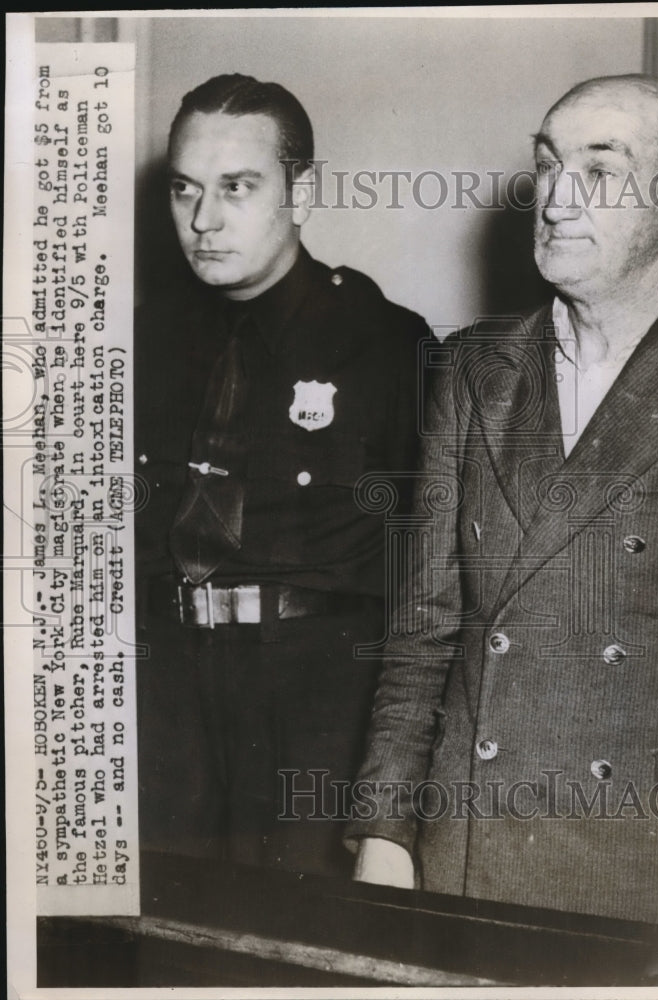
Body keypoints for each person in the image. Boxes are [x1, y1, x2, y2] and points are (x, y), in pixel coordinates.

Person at [347, 75, 658, 980]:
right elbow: (423, 633)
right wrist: (384, 831)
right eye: (547, 162)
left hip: (646, 897)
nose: (554, 195)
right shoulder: (478, 366)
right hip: (462, 858)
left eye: (600, 168)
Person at [134, 74, 428, 876]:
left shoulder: (385, 344)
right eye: (185, 189)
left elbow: (434, 579)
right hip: (163, 701)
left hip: (316, 707)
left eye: (237, 188)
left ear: (303, 192)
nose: (203, 220)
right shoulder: (137, 340)